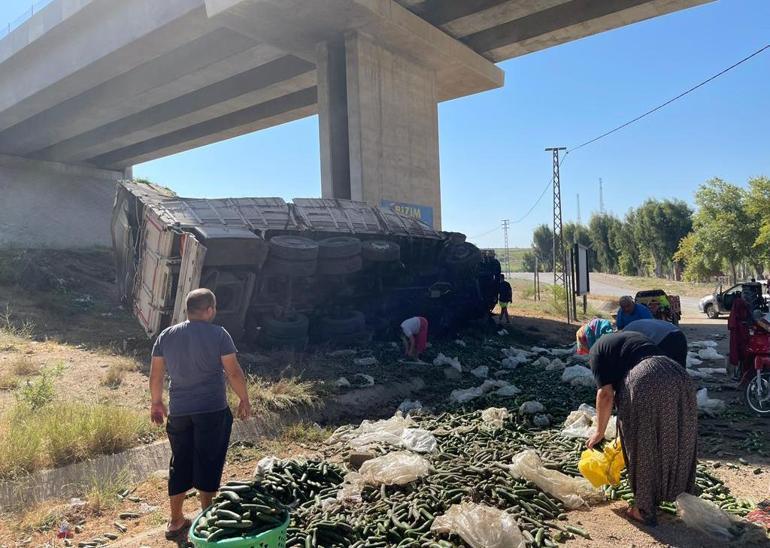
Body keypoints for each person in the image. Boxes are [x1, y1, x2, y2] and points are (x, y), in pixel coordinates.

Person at [149, 289, 252, 541]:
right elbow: (234, 372)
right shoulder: (219, 334)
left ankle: (175, 520)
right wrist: (244, 398)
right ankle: (207, 516)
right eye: (213, 309)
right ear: (209, 310)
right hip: (212, 410)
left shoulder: (166, 335)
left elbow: (156, 375)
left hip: (180, 411)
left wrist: (156, 403)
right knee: (207, 459)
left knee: (180, 461)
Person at [587, 332, 698, 525]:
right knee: (677, 436)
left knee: (643, 442)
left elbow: (605, 394)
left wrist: (599, 432)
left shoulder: (596, 352)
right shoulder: (624, 340)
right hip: (678, 375)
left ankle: (643, 509)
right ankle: (682, 496)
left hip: (645, 379)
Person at [624, 318, 688, 367]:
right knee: (680, 366)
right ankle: (684, 382)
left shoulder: (626, 334)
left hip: (665, 338)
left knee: (665, 368)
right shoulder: (632, 326)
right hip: (678, 333)